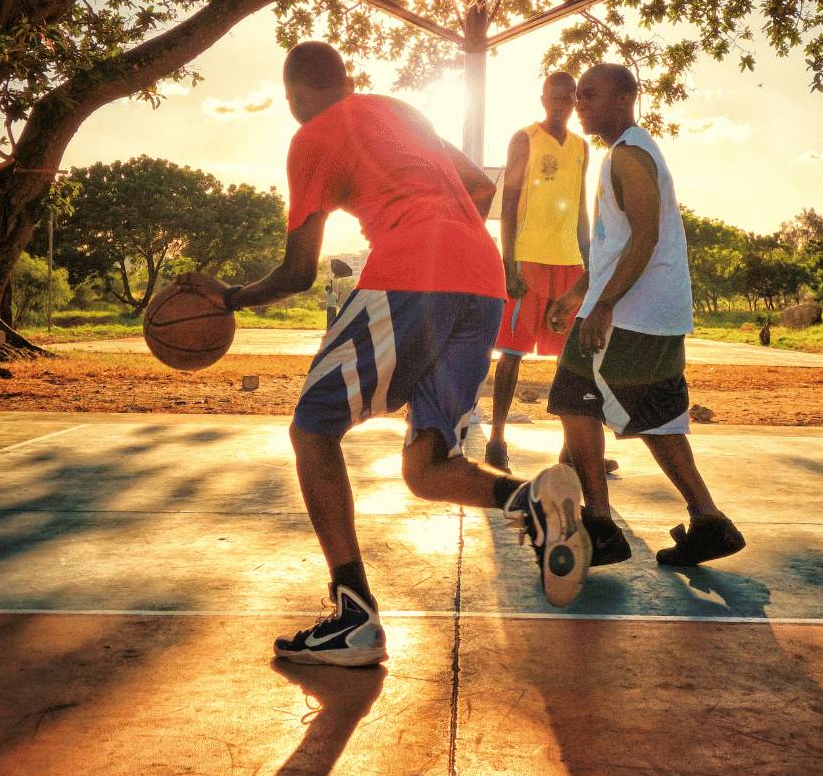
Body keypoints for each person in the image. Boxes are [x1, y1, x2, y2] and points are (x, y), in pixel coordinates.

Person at [177, 42, 591, 664]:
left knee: (313, 429)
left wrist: (230, 297)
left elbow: (296, 272)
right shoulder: (399, 110)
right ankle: (526, 500)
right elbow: (480, 187)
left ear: (293, 96)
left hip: (413, 275)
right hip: (479, 283)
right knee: (426, 467)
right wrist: (444, 229)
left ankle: (354, 616)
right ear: (348, 78)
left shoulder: (313, 136)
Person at [545, 63, 745, 568]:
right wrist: (578, 294)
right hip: (652, 312)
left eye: (590, 96)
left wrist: (604, 305)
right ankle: (709, 522)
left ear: (624, 99)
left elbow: (646, 237)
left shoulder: (629, 156)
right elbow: (616, 245)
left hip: (631, 315)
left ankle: (600, 526)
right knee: (657, 419)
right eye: (578, 97)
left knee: (576, 400)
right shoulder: (622, 152)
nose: (580, 104)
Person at [487, 70, 597, 471]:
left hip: (569, 263)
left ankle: (574, 449)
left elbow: (581, 210)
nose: (561, 102)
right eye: (554, 95)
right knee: (512, 354)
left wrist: (589, 265)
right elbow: (508, 206)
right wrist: (508, 264)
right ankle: (497, 441)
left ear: (575, 100)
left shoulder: (582, 148)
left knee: (571, 359)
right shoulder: (525, 139)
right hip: (528, 261)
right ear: (543, 98)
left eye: (568, 96)